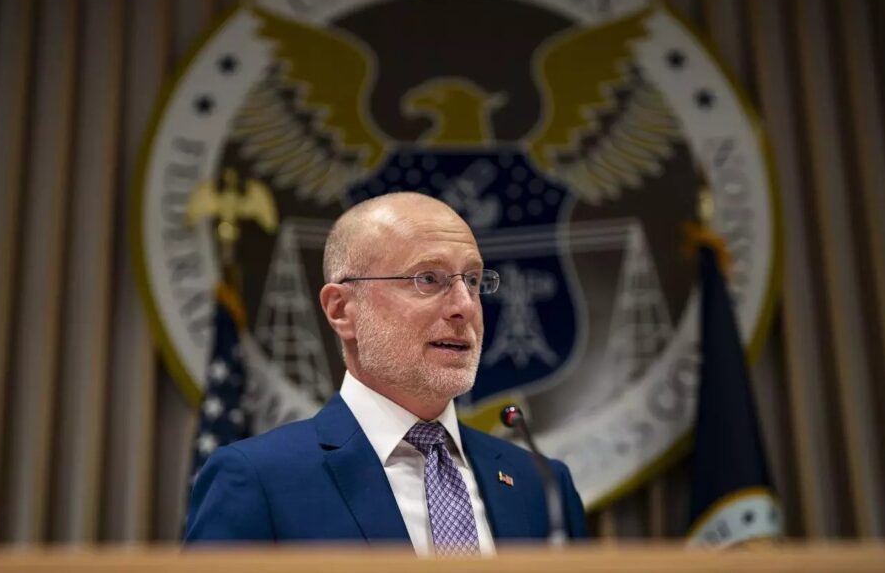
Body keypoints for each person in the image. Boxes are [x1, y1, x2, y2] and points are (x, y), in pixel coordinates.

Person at [185, 192, 587, 554]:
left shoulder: (542, 485)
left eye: (473, 280)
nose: (464, 306)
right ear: (342, 310)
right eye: (429, 279)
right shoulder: (258, 479)